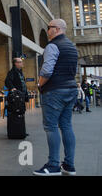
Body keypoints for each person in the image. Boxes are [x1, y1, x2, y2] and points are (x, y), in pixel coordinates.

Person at [34, 19, 78, 176]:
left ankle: (53, 165)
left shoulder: (52, 46)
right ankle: (69, 165)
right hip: (71, 89)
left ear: (57, 29)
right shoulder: (72, 47)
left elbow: (47, 71)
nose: (47, 31)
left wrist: (39, 84)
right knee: (66, 126)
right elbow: (74, 70)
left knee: (51, 127)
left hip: (54, 91)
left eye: (49, 28)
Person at [4, 57, 29, 136]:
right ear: (16, 63)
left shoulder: (20, 72)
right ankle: (17, 132)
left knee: (21, 112)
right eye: (20, 62)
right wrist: (13, 88)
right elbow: (7, 81)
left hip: (21, 97)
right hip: (17, 98)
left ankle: (21, 131)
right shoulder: (12, 72)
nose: (22, 63)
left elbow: (23, 84)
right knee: (17, 113)